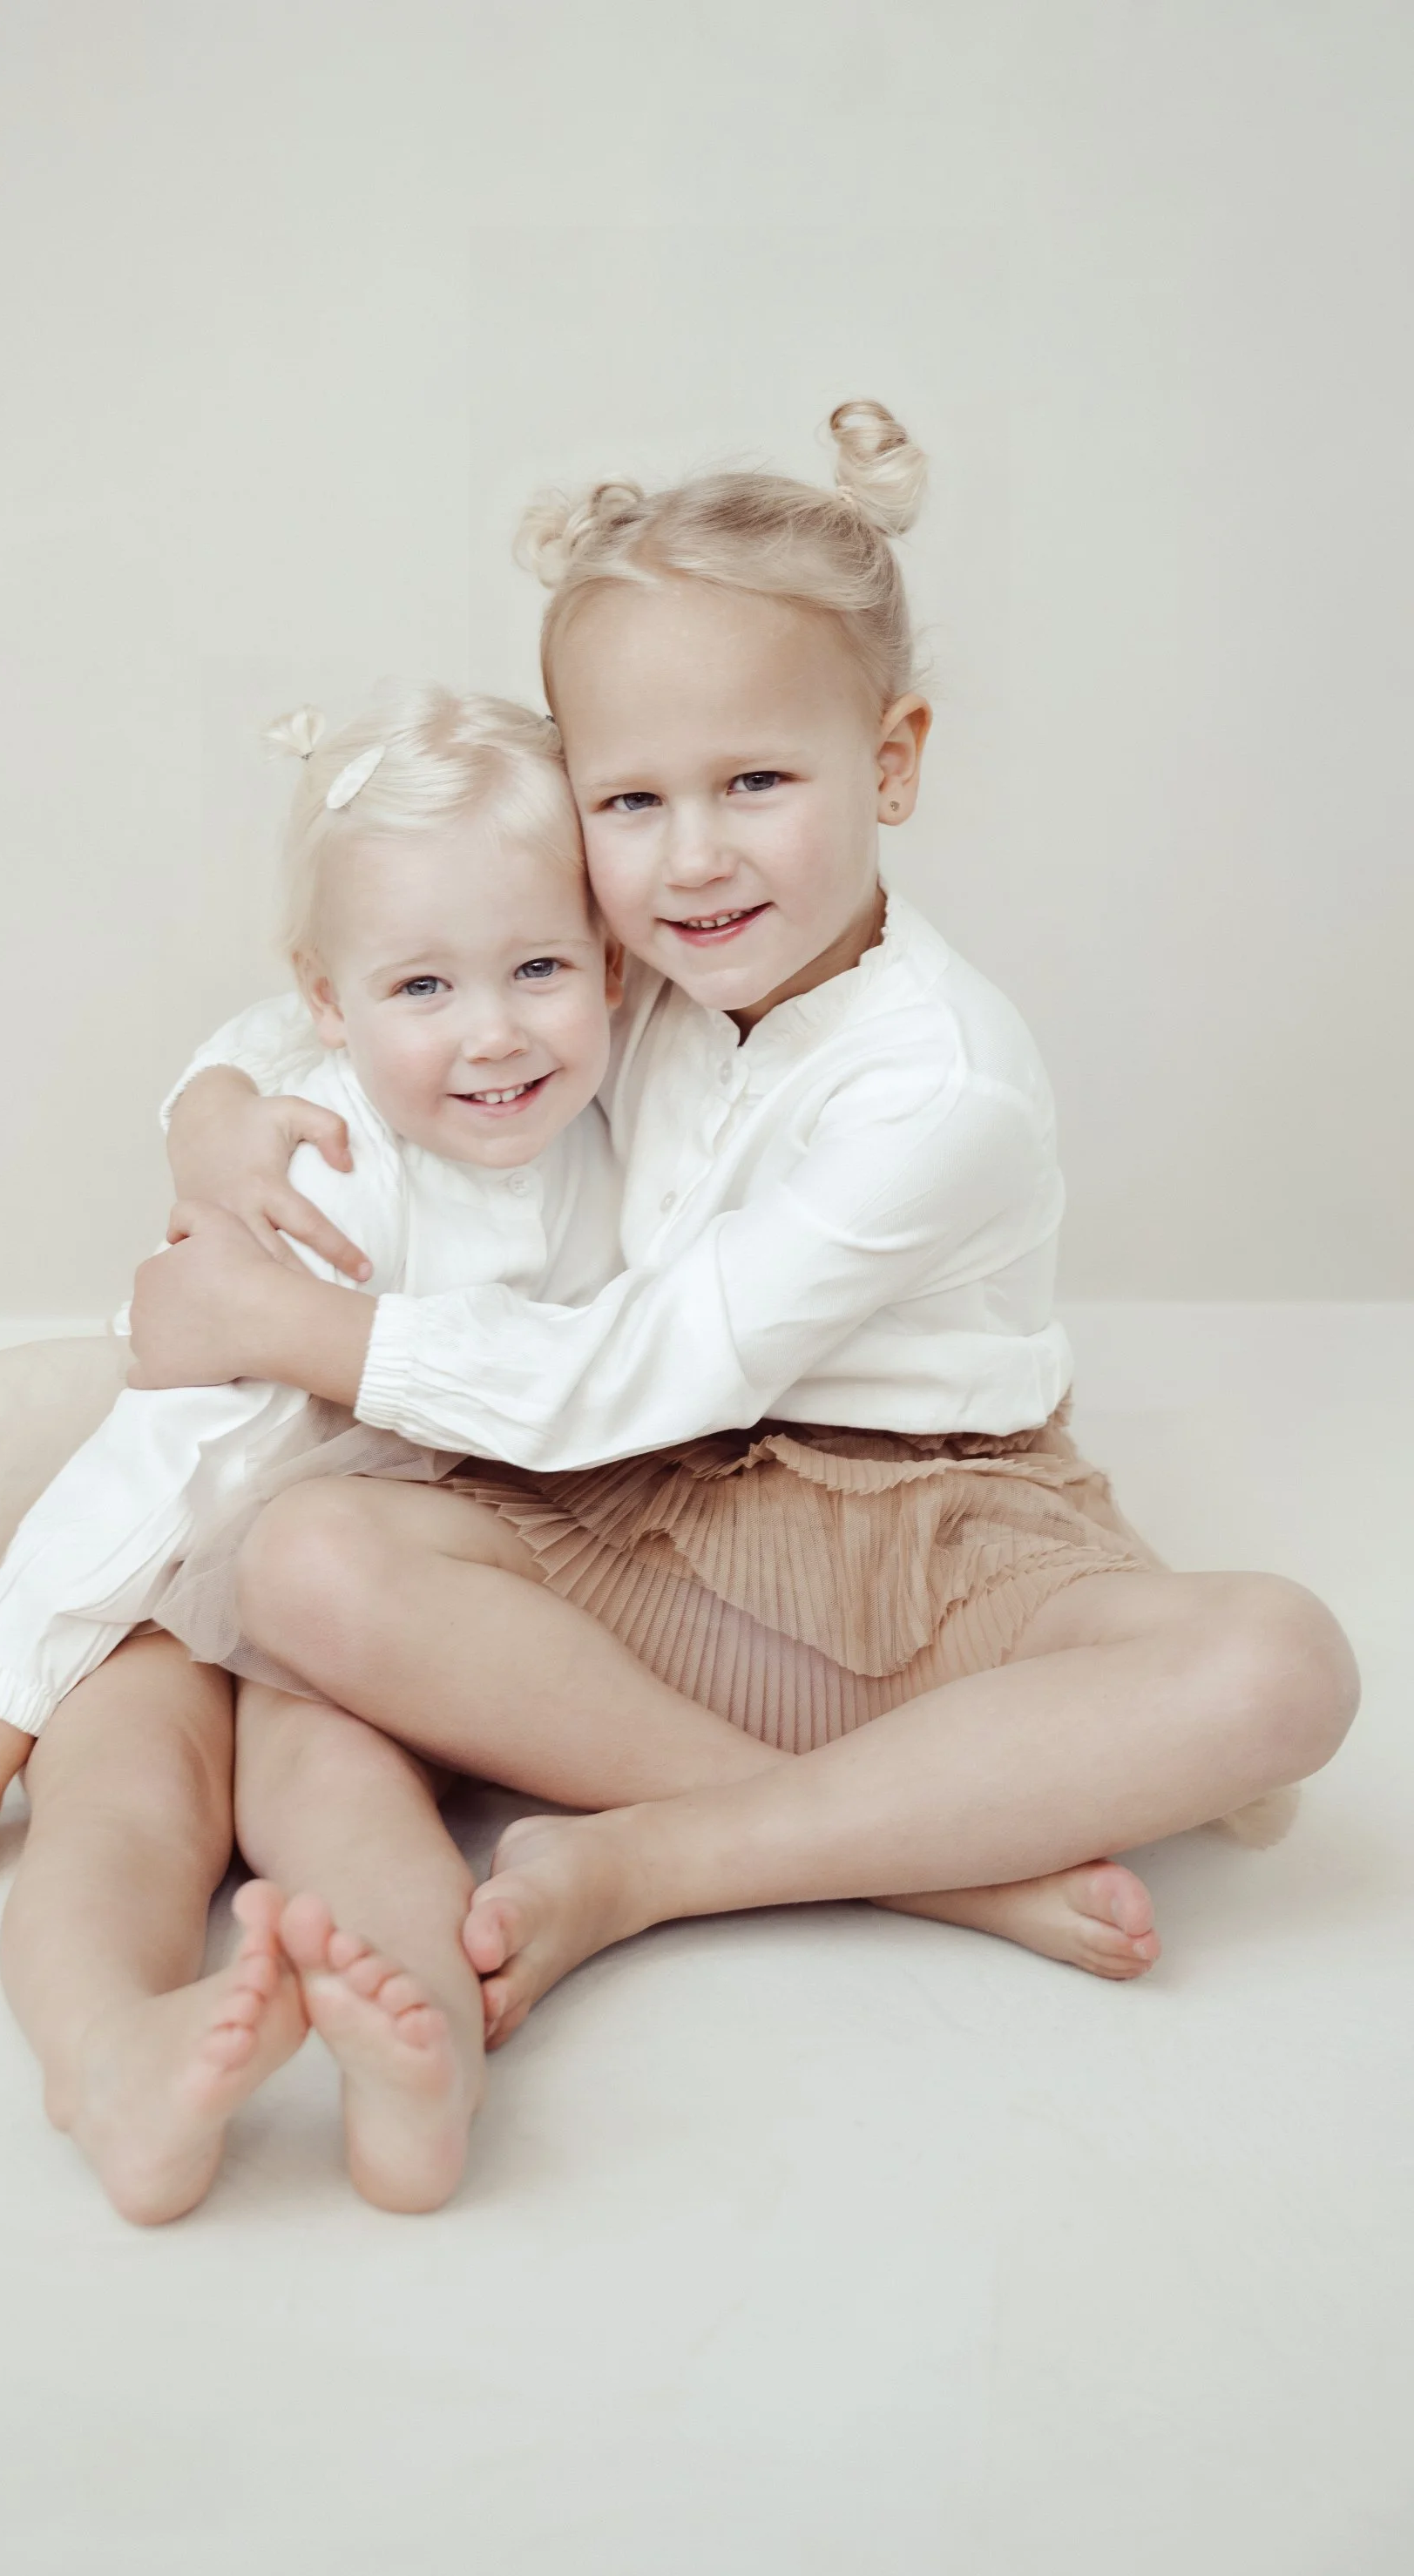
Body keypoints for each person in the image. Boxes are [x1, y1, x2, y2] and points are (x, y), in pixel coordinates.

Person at [136, 399, 1358, 2045]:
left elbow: (645, 1363)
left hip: (927, 1532)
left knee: (1283, 1667)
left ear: (895, 760)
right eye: (629, 801)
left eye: (758, 780)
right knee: (301, 1562)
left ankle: (663, 1859)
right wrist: (214, 1112)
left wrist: (297, 1328)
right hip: (644, 1512)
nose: (692, 858)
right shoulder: (622, 960)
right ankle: (925, 1859)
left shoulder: (940, 1086)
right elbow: (333, 1002)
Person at [0, 687, 631, 2220]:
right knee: (120, 1796)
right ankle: (110, 2054)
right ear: (333, 1002)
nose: (497, 1031)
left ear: (612, 963)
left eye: (540, 968)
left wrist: (215, 1088)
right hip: (185, 1528)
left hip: (387, 1573)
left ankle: (418, 2052)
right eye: (425, 986)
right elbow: (164, 1462)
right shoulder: (323, 1174)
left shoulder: (633, 1112)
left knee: (345, 1795)